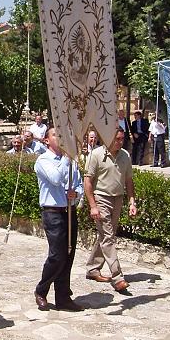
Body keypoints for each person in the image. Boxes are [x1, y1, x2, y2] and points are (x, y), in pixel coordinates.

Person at [33, 127, 84, 311]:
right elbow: (55, 178)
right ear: (47, 140)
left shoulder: (71, 161)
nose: (61, 138)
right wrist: (67, 157)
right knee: (57, 255)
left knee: (69, 255)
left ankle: (63, 296)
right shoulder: (43, 160)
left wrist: (76, 194)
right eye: (56, 135)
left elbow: (79, 184)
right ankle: (41, 290)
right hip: (53, 212)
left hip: (69, 210)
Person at [83, 127, 137, 295]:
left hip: (118, 198)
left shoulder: (125, 156)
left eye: (122, 139)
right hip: (101, 198)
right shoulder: (96, 155)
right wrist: (93, 205)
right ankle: (117, 277)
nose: (120, 142)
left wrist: (132, 202)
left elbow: (129, 180)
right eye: (117, 139)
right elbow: (88, 182)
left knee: (106, 235)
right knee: (108, 236)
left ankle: (93, 268)